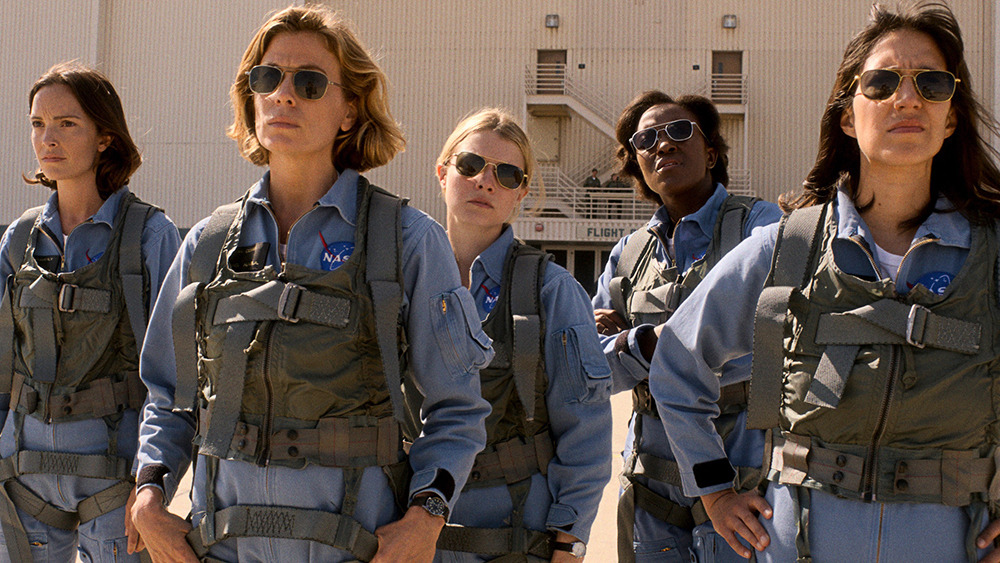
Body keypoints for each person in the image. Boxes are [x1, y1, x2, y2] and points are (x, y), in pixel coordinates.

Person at [128, 6, 492, 562]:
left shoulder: (407, 242)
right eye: (267, 78)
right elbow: (167, 396)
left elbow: (457, 407)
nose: (284, 94)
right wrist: (148, 496)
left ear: (350, 110)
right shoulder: (207, 243)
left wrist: (427, 518)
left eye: (310, 82)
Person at [649, 3, 1000, 561]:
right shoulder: (791, 247)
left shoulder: (992, 254)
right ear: (846, 115)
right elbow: (677, 360)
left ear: (951, 115)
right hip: (803, 540)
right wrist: (714, 491)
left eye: (930, 83)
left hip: (952, 540)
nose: (906, 99)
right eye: (881, 83)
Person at [0, 62, 180, 562]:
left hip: (114, 478)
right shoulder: (20, 241)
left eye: (66, 123)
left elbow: (174, 375)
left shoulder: (150, 237)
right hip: (21, 475)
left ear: (105, 137)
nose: (47, 138)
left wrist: (153, 485)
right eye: (38, 124)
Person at [590, 91, 781, 562]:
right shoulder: (628, 256)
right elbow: (586, 371)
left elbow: (773, 344)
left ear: (711, 153)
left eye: (679, 131)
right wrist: (640, 344)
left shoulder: (759, 229)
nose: (663, 145)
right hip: (650, 489)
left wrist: (656, 351)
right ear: (638, 163)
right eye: (646, 139)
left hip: (741, 478)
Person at [430, 108, 612, 562]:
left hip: (514, 532)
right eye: (470, 166)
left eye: (507, 174)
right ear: (443, 171)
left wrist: (570, 544)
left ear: (523, 193)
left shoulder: (550, 291)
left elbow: (585, 431)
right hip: (414, 529)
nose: (485, 182)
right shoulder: (403, 283)